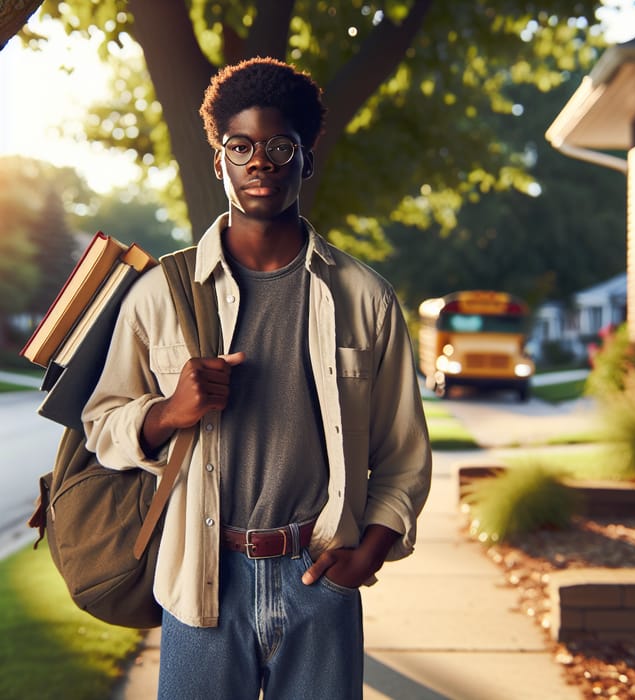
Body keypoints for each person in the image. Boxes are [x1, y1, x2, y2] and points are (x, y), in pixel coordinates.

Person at [83, 56, 431, 700]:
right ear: (219, 162)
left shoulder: (365, 297)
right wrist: (168, 412)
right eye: (239, 146)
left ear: (306, 159)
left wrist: (366, 555)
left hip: (319, 578)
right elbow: (101, 426)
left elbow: (405, 456)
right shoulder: (162, 293)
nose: (260, 161)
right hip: (201, 580)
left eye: (279, 145)